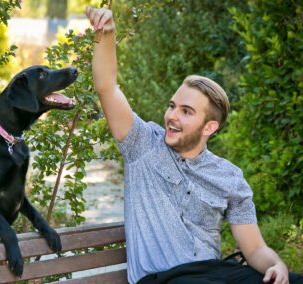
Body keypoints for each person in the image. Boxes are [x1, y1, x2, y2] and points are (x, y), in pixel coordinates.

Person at [85, 6, 303, 284]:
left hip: (216, 274)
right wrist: (107, 33)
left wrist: (277, 265)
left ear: (209, 127)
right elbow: (108, 87)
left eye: (186, 112)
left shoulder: (230, 177)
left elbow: (254, 248)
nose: (172, 116)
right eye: (172, 106)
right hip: (162, 279)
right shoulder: (142, 145)